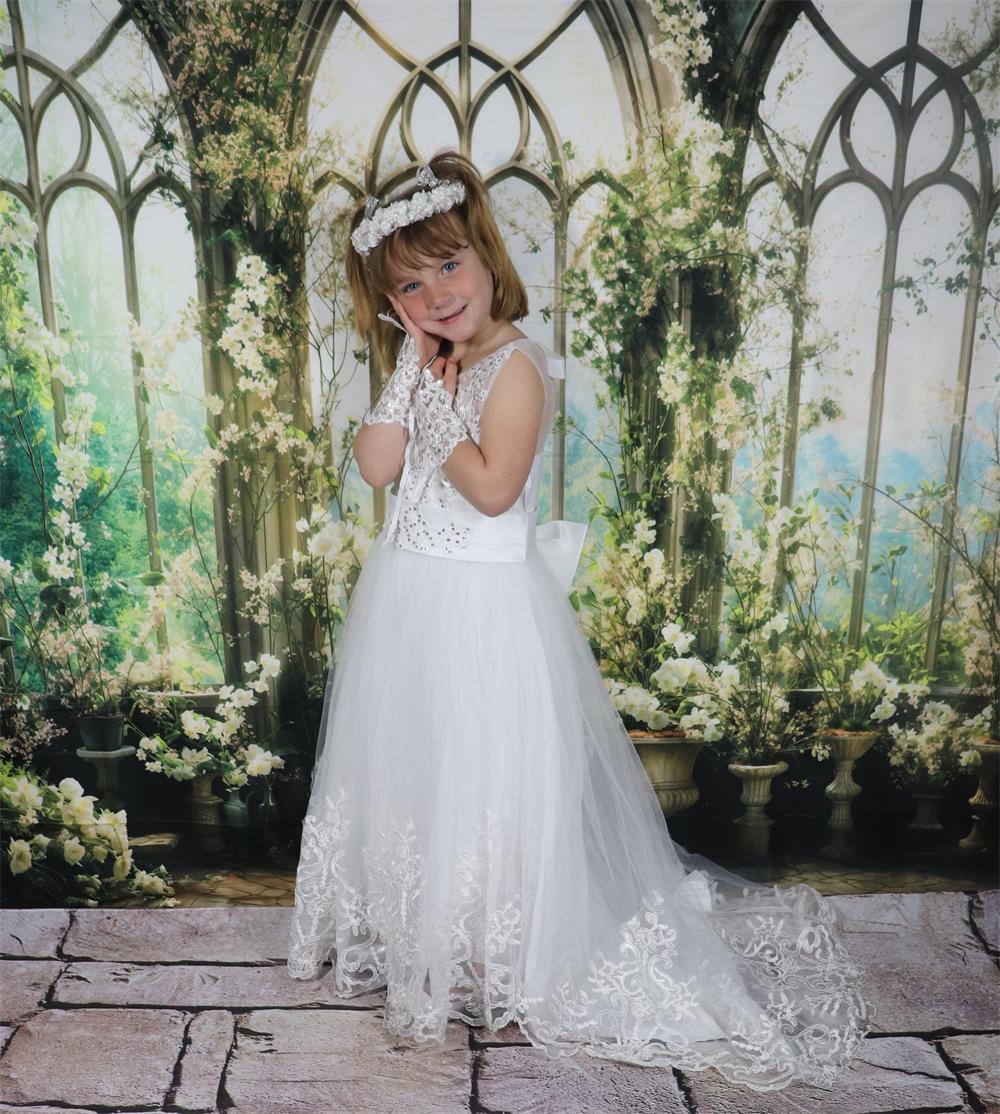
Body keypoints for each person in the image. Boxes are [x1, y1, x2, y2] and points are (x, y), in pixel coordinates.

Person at [286, 151, 873, 1091]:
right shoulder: (426, 360)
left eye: (449, 267)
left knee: (483, 766)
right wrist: (405, 374)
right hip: (409, 600)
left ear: (484, 255)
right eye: (410, 283)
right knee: (416, 760)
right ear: (390, 303)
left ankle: (497, 936)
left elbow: (490, 489)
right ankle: (429, 930)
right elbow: (375, 466)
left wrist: (439, 401)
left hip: (482, 608)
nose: (438, 294)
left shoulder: (515, 364)